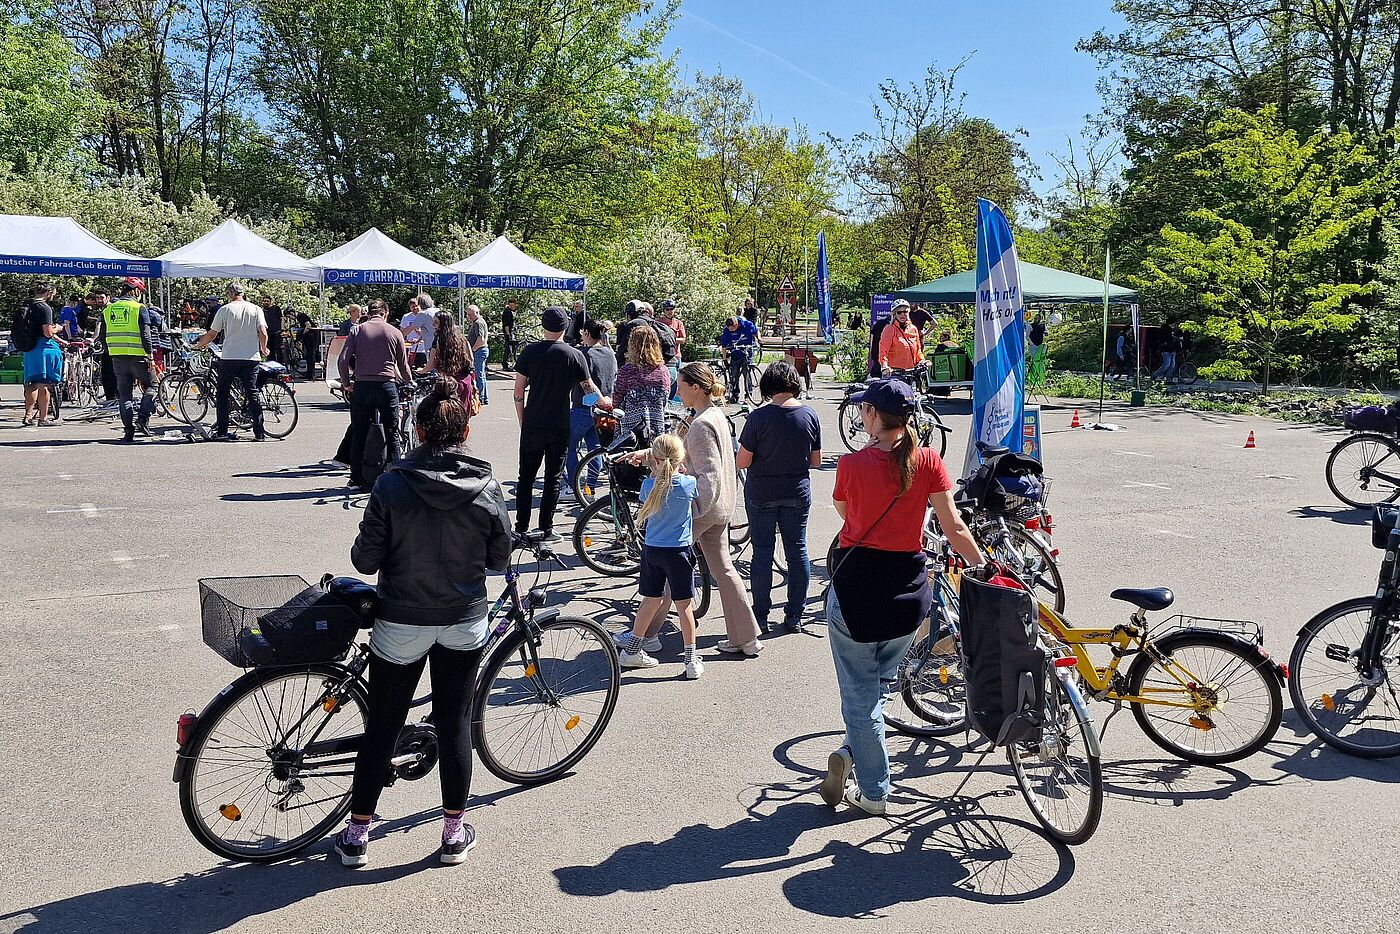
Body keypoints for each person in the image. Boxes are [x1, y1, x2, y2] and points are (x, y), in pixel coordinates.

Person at [335, 383, 512, 868]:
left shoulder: (392, 484)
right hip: (463, 619)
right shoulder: (487, 487)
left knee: (383, 725)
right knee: (455, 721)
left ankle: (357, 834)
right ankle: (454, 832)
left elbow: (365, 560)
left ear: (417, 430)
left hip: (400, 619)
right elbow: (500, 557)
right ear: (466, 431)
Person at [820, 378, 985, 816]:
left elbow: (846, 513)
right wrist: (983, 566)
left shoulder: (852, 465)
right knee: (882, 682)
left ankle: (874, 792)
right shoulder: (929, 460)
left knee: (859, 695)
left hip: (858, 590)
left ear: (872, 416)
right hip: (909, 592)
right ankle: (856, 751)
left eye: (863, 409)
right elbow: (953, 527)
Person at [631, 363, 761, 655]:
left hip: (704, 509)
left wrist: (691, 509)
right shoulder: (714, 415)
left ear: (696, 388)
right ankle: (746, 637)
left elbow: (708, 473)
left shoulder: (701, 424)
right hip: (721, 507)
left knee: (666, 565)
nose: (677, 391)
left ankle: (646, 636)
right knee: (724, 571)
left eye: (681, 385)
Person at [737, 362, 821, 634]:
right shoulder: (809, 415)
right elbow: (816, 461)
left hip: (762, 491)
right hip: (796, 490)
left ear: (768, 386)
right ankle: (795, 615)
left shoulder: (758, 418)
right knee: (797, 551)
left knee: (762, 552)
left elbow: (743, 461)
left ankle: (760, 615)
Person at [613, 434, 704, 678]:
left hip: (652, 549)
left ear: (654, 460)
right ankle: (690, 659)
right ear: (680, 459)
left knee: (650, 600)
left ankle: (633, 649)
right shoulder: (687, 484)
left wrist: (653, 471)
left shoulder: (647, 486)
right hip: (679, 551)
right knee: (684, 606)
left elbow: (653, 485)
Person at [512, 306, 606, 540]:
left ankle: (521, 527)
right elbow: (589, 390)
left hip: (533, 421)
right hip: (560, 422)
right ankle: (546, 528)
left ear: (543, 327)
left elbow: (518, 390)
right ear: (566, 327)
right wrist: (602, 401)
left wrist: (522, 417)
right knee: (553, 477)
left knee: (526, 477)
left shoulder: (530, 352)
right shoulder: (574, 355)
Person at [339, 300, 413, 487]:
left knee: (359, 432)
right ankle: (396, 477)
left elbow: (342, 360)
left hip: (362, 386)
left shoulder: (357, 330)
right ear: (385, 313)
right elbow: (403, 366)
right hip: (386, 386)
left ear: (369, 313)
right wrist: (409, 381)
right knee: (392, 432)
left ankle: (356, 478)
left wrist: (347, 384)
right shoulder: (394, 332)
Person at [194, 283, 267, 442]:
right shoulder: (255, 309)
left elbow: (213, 333)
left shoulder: (225, 310)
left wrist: (199, 345)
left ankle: (222, 431)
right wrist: (263, 348)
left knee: (222, 393)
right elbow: (263, 331)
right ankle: (259, 432)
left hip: (229, 357)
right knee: (252, 393)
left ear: (229, 294)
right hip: (251, 358)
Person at [565, 320, 618, 499]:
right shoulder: (610, 353)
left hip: (583, 406)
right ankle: (590, 488)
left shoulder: (582, 354)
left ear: (586, 333)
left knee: (569, 447)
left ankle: (573, 487)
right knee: (595, 448)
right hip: (604, 409)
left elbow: (579, 381)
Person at [100, 279, 158, 440]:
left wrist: (110, 351)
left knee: (125, 396)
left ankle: (128, 431)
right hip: (138, 356)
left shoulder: (108, 309)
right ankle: (142, 418)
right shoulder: (139, 308)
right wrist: (150, 356)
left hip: (118, 357)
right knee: (153, 386)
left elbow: (102, 336)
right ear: (136, 291)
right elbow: (146, 335)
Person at [611, 326, 670, 449]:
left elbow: (616, 400)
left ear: (632, 345)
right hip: (656, 430)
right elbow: (664, 400)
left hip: (631, 432)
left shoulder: (627, 371)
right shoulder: (663, 371)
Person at [20, 283, 64, 428]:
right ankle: (41, 417)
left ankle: (31, 415)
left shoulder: (27, 305)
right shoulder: (44, 308)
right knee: (43, 383)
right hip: (43, 348)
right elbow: (48, 332)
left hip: (29, 347)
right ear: (48, 292)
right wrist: (57, 328)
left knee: (33, 383)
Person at [423, 311, 475, 408]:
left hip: (449, 384)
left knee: (448, 416)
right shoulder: (461, 338)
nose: (433, 325)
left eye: (436, 322)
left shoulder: (438, 339)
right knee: (464, 417)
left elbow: (430, 365)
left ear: (444, 324)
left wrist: (419, 371)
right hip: (465, 381)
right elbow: (471, 358)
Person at [718, 315, 759, 403]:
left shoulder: (747, 325)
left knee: (746, 373)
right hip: (735, 354)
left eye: (732, 329)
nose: (730, 331)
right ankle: (735, 394)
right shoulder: (727, 330)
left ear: (736, 325)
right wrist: (725, 359)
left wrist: (759, 340)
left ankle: (748, 395)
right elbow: (724, 346)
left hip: (747, 353)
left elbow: (756, 331)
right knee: (734, 374)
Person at [878, 299, 924, 376]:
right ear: (894, 314)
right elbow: (883, 350)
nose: (902, 314)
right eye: (899, 312)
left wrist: (922, 360)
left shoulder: (913, 329)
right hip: (894, 372)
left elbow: (918, 350)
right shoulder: (889, 329)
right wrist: (884, 366)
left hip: (911, 371)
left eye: (905, 312)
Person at [400, 294, 438, 369]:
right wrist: (419, 339)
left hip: (431, 347)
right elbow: (428, 328)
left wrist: (398, 337)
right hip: (442, 344)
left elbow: (409, 329)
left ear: (420, 304)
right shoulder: (438, 311)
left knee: (433, 370)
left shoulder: (423, 314)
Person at [657, 299, 686, 397]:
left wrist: (671, 339)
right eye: (667, 309)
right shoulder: (658, 322)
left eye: (672, 309)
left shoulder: (678, 323)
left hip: (676, 356)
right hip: (663, 356)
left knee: (675, 381)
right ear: (663, 310)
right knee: (664, 380)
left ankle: (671, 401)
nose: (670, 311)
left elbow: (683, 339)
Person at [465, 304, 490, 405]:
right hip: (481, 350)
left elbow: (481, 339)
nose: (469, 317)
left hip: (479, 351)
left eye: (470, 314)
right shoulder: (478, 322)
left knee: (479, 375)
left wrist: (472, 351)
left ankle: (481, 398)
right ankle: (484, 397)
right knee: (481, 375)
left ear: (476, 313)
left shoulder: (478, 323)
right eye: (468, 314)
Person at [259, 295, 284, 364]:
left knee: (279, 350)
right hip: (267, 333)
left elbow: (281, 319)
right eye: (264, 301)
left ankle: (280, 364)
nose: (266, 302)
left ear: (270, 302)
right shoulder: (261, 311)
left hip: (277, 332)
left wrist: (282, 329)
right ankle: (271, 365)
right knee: (270, 351)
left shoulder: (276, 308)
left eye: (267, 301)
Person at [296, 309, 320, 380]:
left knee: (310, 355)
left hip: (311, 336)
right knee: (309, 355)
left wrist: (302, 334)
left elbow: (308, 326)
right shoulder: (301, 316)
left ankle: (311, 374)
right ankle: (309, 373)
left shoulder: (301, 316)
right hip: (310, 336)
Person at [500, 298, 519, 370]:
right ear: (511, 303)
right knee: (508, 348)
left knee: (511, 348)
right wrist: (508, 333)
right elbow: (506, 323)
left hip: (510, 331)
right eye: (515, 304)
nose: (515, 306)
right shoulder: (507, 312)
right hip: (509, 332)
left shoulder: (509, 311)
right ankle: (505, 364)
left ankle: (508, 363)